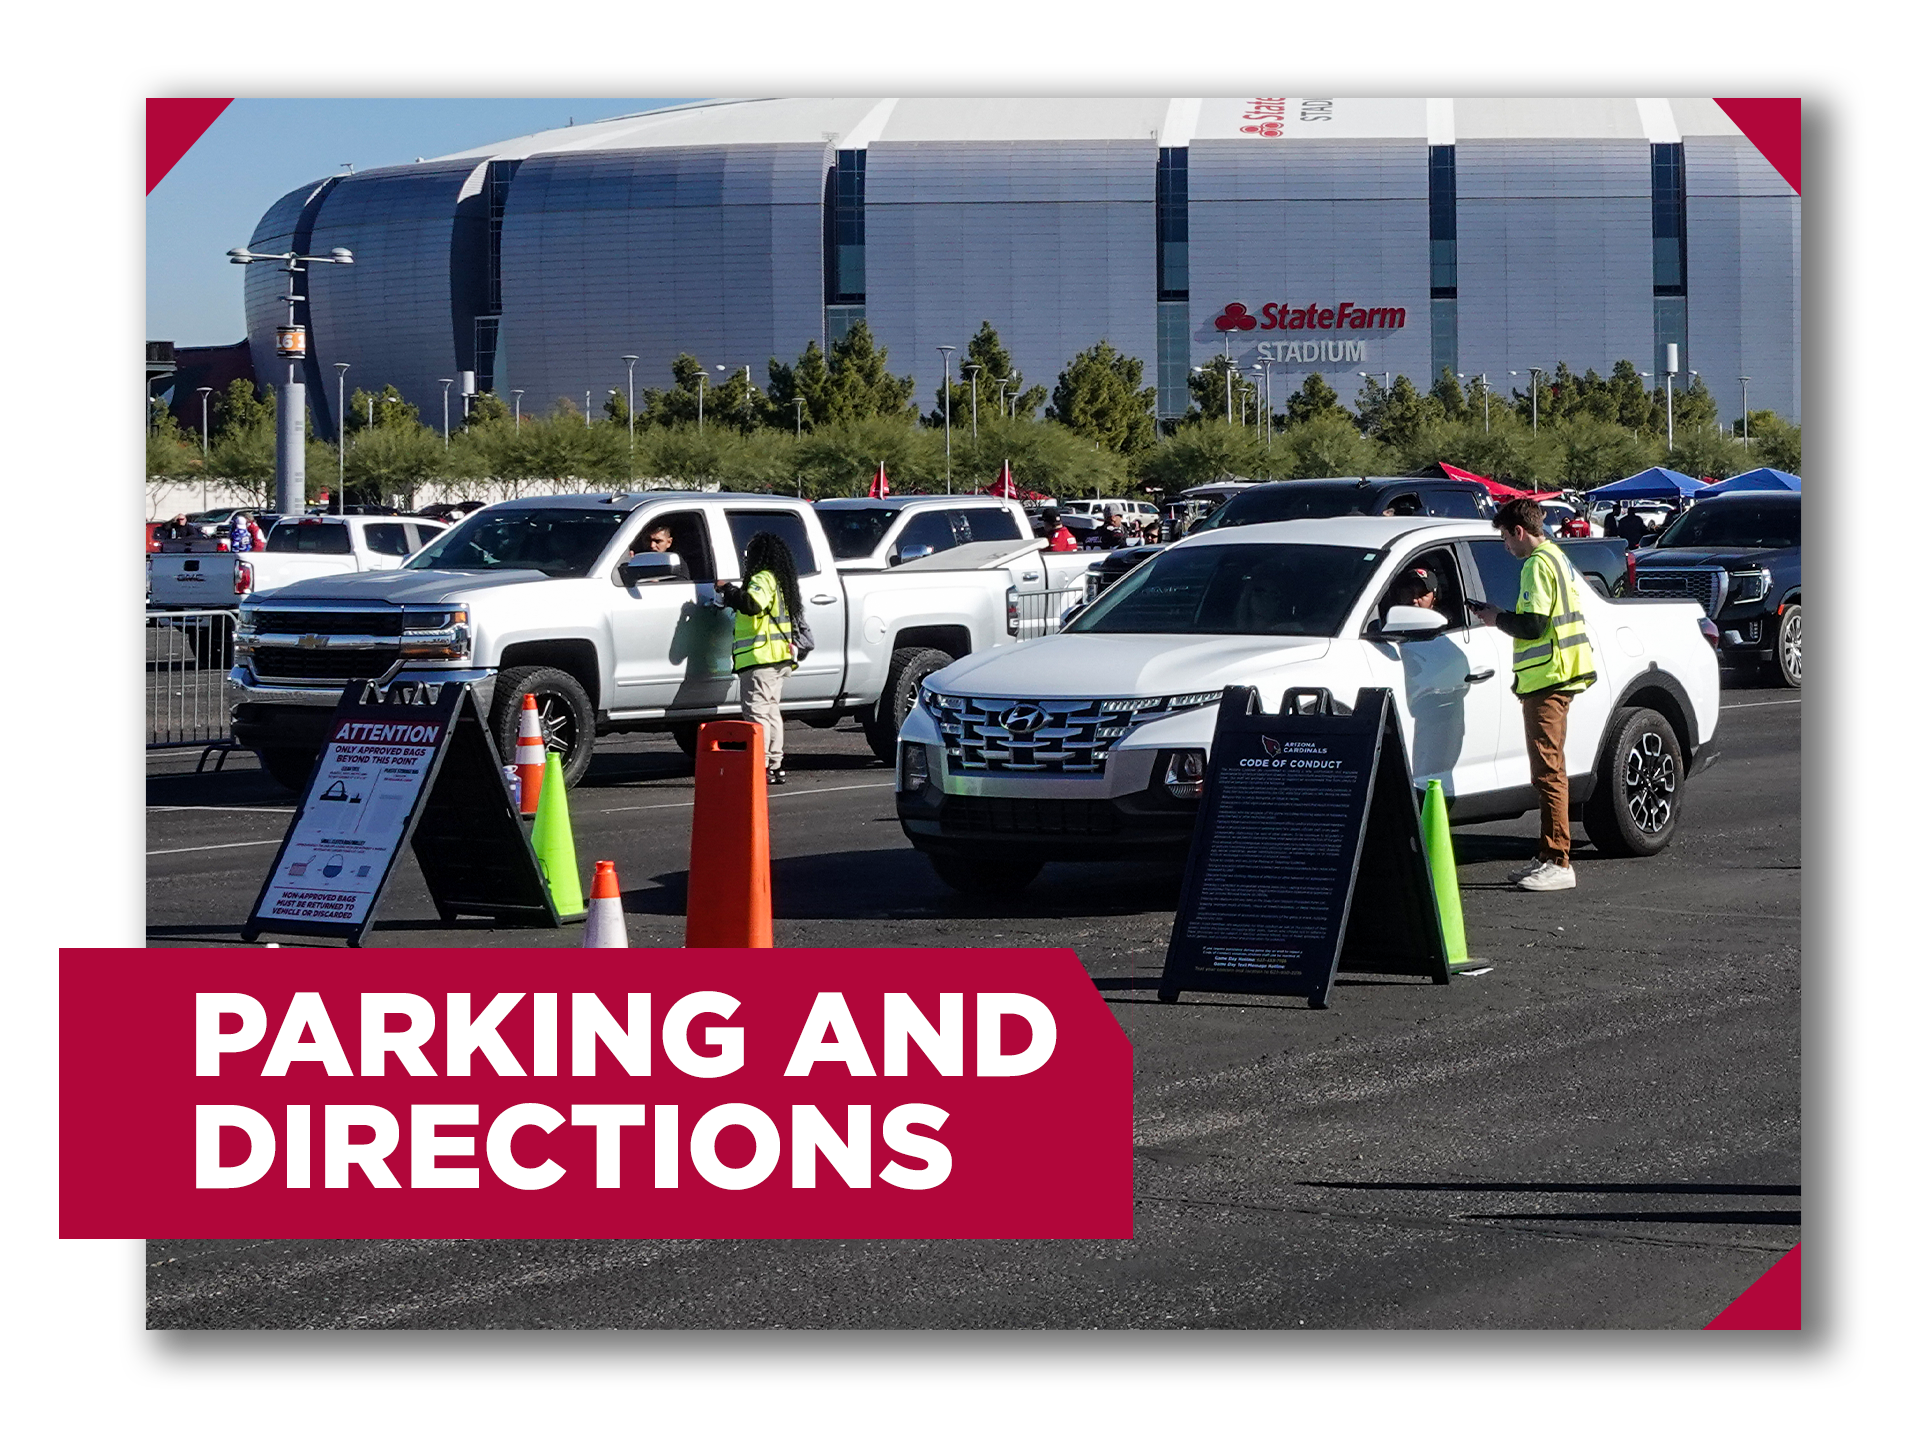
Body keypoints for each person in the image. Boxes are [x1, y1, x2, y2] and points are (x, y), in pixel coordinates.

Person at [1466, 498, 1596, 892]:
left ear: (1518, 532)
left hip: (1548, 678)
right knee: (1548, 768)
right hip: (1559, 673)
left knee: (1548, 771)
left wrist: (1495, 618)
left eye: (1505, 538)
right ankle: (1547, 854)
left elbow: (1534, 625)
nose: (1506, 546)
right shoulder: (1557, 556)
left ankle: (1558, 860)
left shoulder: (1536, 564)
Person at [715, 531, 804, 785]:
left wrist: (727, 589)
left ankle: (760, 764)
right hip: (778, 657)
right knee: (771, 711)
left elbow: (752, 605)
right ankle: (775, 765)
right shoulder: (779, 580)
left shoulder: (762, 578)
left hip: (761, 658)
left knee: (756, 713)